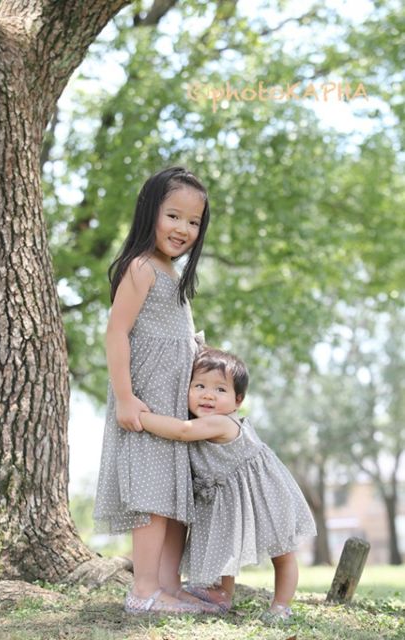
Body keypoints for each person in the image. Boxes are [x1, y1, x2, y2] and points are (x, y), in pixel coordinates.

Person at [93, 166, 218, 615]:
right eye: (173, 216)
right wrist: (126, 398)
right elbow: (116, 333)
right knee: (151, 499)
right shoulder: (141, 268)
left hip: (173, 410)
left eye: (193, 221)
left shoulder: (172, 274)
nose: (183, 228)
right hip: (146, 404)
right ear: (150, 212)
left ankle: (167, 585)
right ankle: (143, 590)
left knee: (172, 497)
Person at [137, 347, 317, 618]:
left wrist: (140, 416)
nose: (208, 395)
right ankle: (222, 593)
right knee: (224, 545)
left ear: (237, 401)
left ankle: (281, 605)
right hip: (229, 497)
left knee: (282, 554)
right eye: (199, 386)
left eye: (220, 390)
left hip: (262, 495)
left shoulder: (221, 423)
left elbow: (182, 431)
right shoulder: (205, 421)